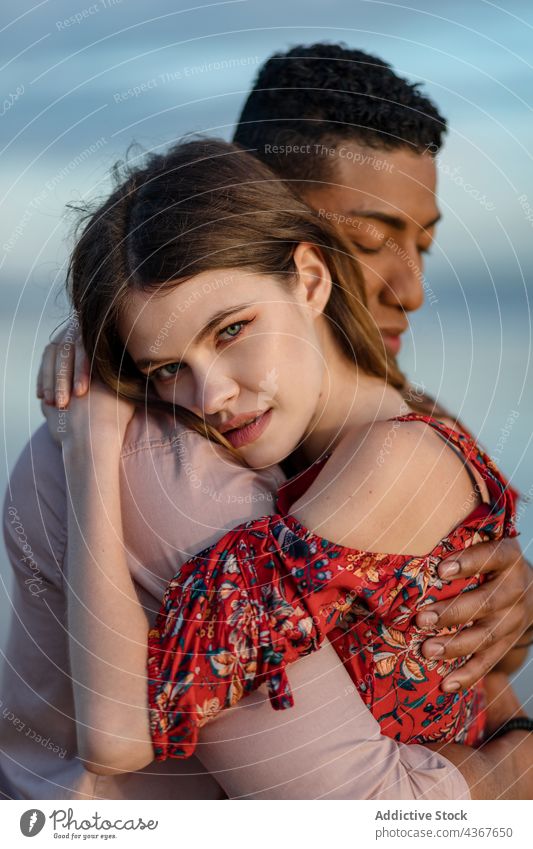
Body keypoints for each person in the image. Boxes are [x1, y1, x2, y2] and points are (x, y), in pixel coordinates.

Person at [1, 44, 530, 801]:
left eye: (423, 241)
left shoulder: (382, 436)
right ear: (263, 218)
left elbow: (472, 676)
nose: (412, 288)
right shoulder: (171, 467)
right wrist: (507, 772)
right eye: (374, 239)